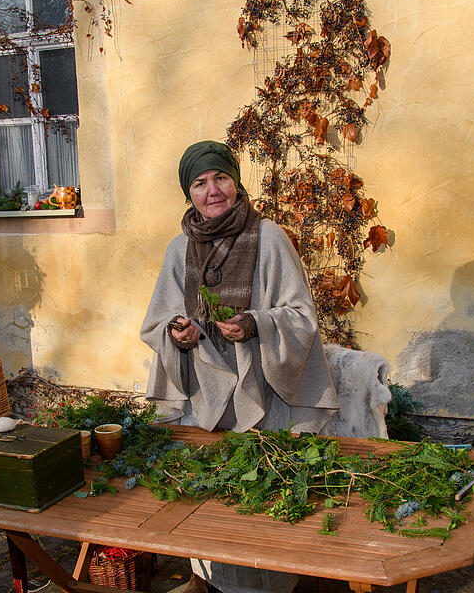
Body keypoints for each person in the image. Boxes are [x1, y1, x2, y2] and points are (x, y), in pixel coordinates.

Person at [140, 140, 339, 593]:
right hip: (205, 396)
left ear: (236, 182)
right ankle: (209, 581)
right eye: (200, 183)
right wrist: (178, 332)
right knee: (209, 500)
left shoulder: (269, 238)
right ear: (188, 193)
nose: (212, 191)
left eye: (221, 178)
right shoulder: (178, 249)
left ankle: (272, 585)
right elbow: (158, 320)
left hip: (264, 394)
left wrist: (255, 324)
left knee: (264, 499)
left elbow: (301, 317)